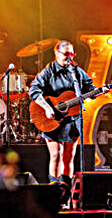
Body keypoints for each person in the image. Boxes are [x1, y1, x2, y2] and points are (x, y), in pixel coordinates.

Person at [29, 41, 100, 186]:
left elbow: (90, 89)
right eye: (66, 54)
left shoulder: (76, 71)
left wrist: (100, 91)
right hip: (52, 118)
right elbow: (34, 90)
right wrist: (47, 108)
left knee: (68, 157)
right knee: (56, 155)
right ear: (57, 54)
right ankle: (53, 190)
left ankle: (66, 192)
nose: (69, 57)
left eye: (72, 54)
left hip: (72, 119)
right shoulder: (49, 71)